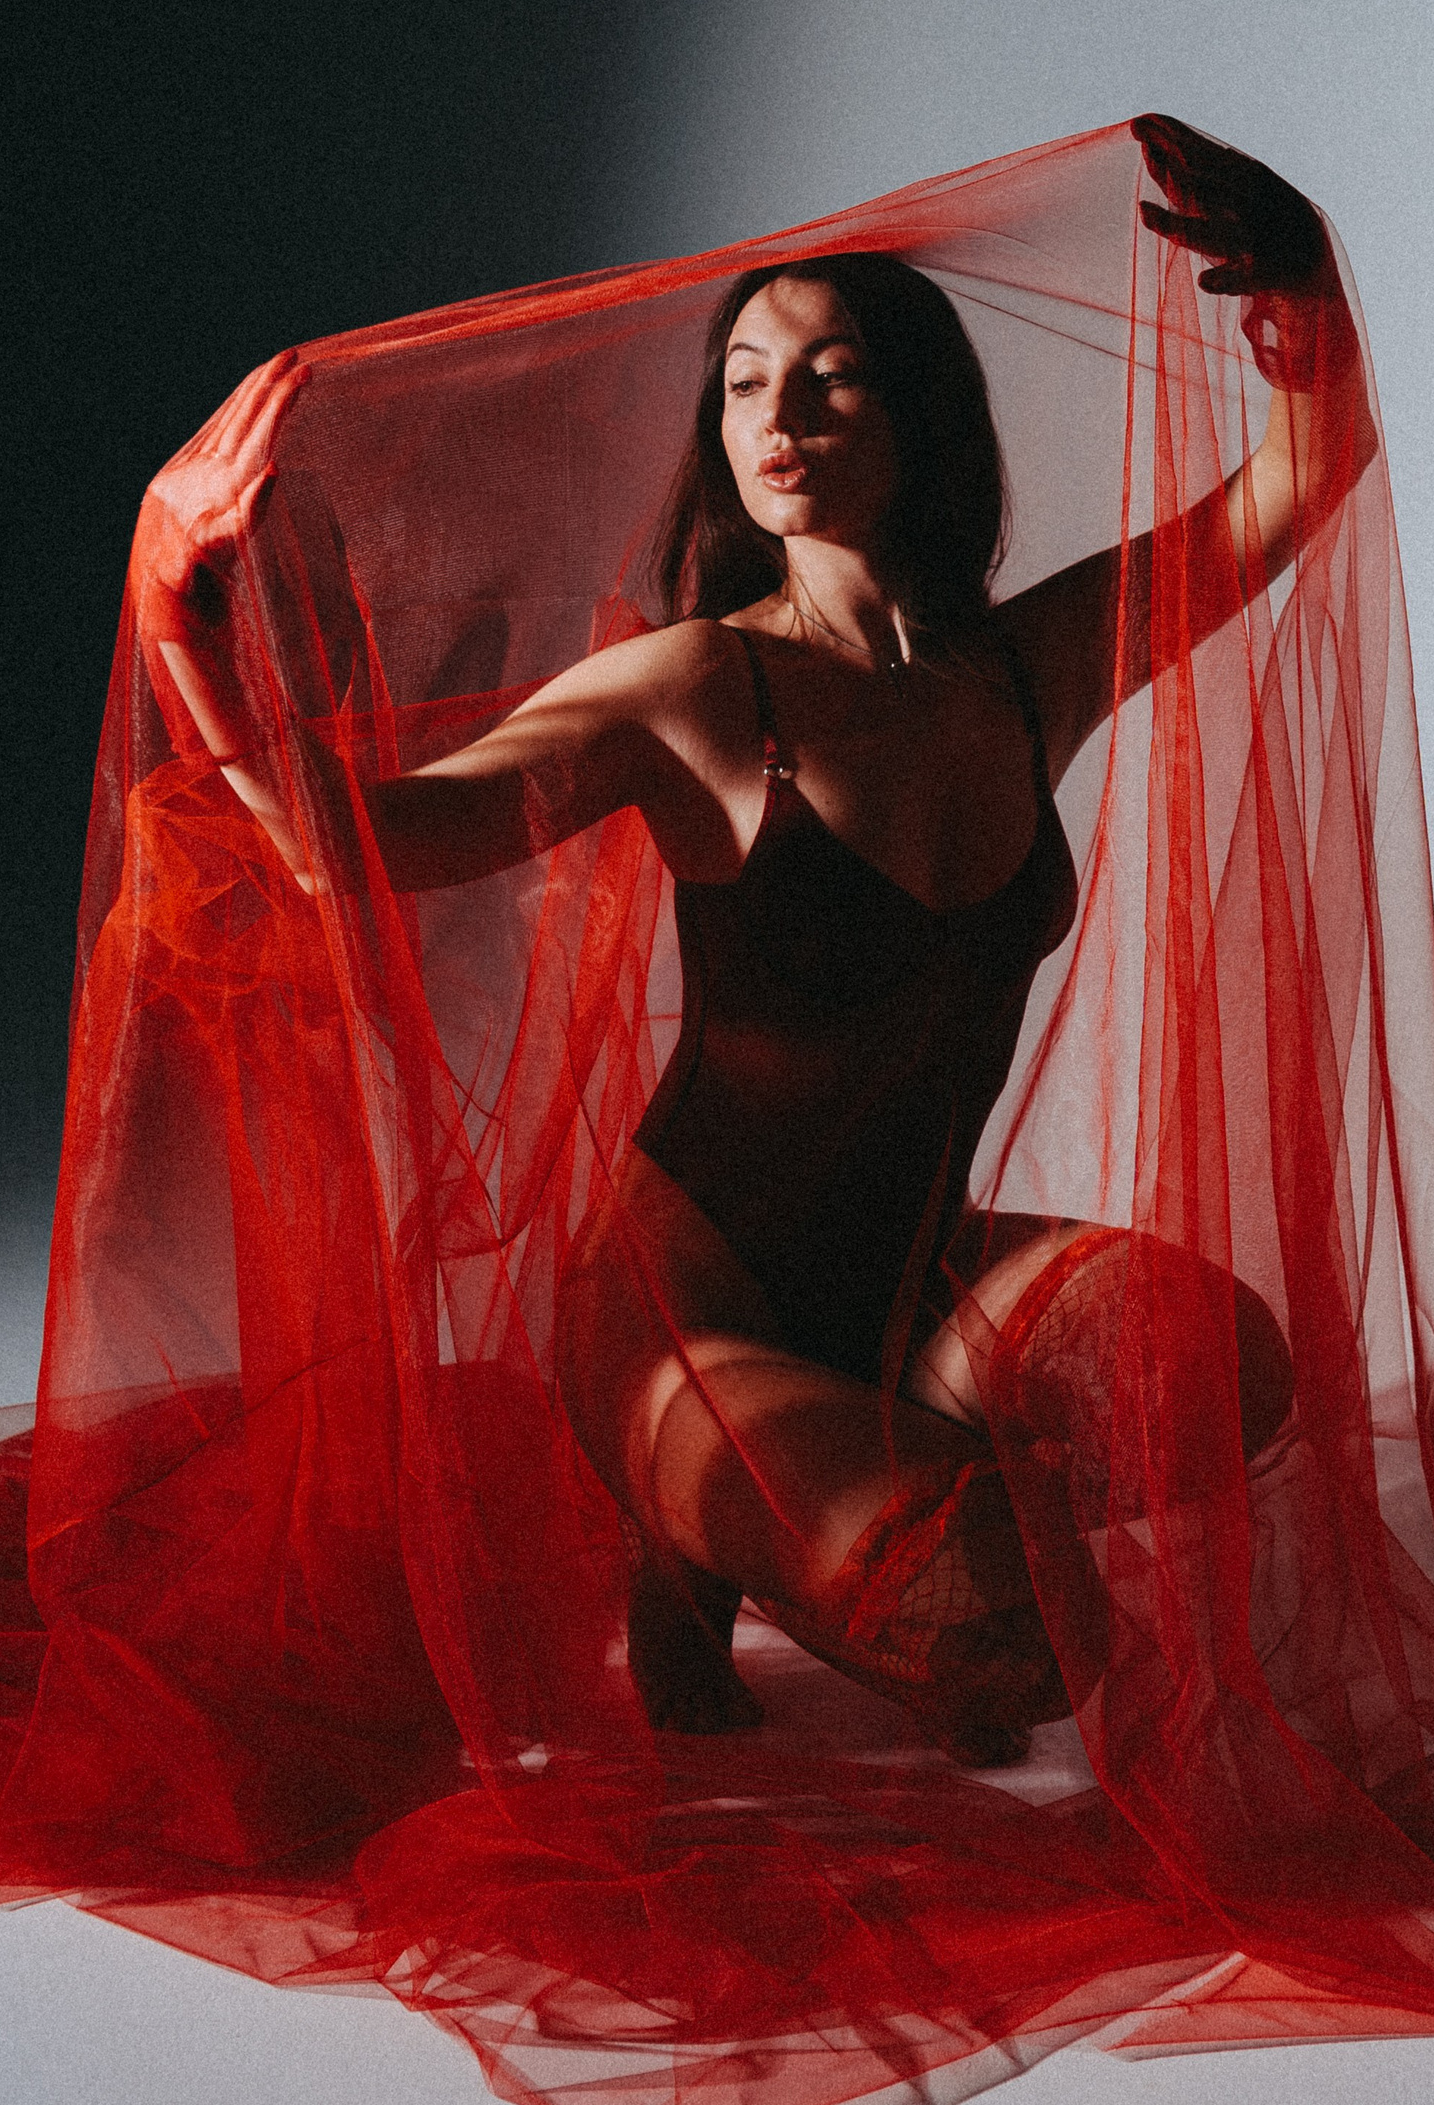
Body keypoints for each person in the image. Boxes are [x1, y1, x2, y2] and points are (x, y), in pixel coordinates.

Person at [129, 119, 1368, 1769]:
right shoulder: (700, 689)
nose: (779, 419)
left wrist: (1304, 290)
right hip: (688, 1314)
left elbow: (1295, 484)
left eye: (832, 379)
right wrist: (181, 618)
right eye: (744, 385)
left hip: (918, 1287)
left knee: (1221, 1370)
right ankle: (703, 1527)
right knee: (1011, 1636)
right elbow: (354, 850)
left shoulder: (1026, 673)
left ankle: (862, 1479)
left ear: (922, 418)